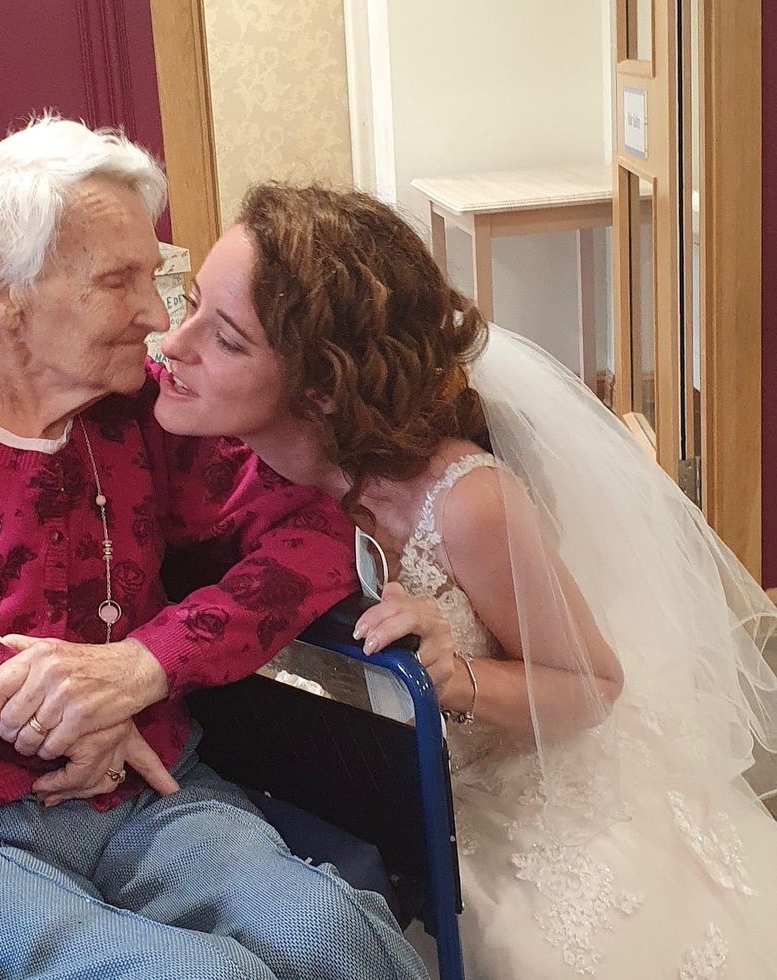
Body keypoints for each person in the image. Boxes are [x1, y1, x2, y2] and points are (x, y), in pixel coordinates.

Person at [0, 124, 429, 980]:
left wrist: (140, 667)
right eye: (117, 281)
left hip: (145, 787)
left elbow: (311, 537)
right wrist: (6, 691)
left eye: (155, 274)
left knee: (328, 930)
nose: (159, 318)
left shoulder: (139, 409)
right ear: (2, 290)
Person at [153, 182, 777, 978]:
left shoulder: (464, 503)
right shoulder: (211, 462)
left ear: (320, 386)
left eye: (227, 339)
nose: (175, 344)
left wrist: (456, 679)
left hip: (505, 800)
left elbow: (592, 688)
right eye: (191, 302)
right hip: (324, 795)